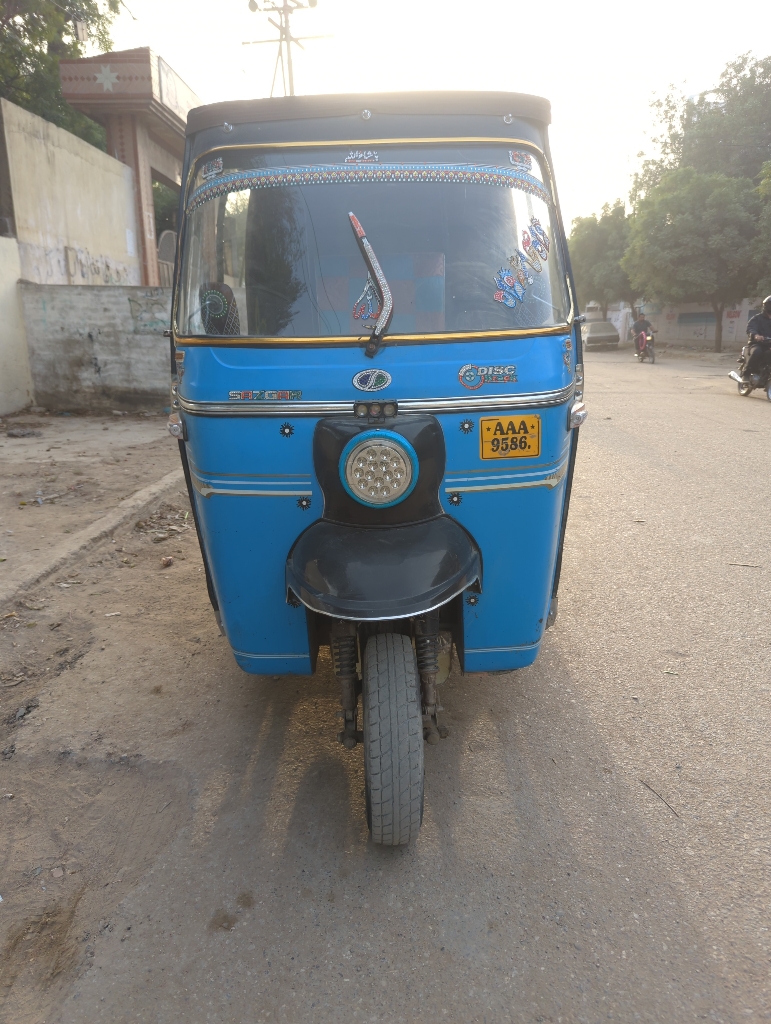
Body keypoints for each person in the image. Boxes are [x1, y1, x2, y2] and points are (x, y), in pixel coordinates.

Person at [742, 296, 771, 379]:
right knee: (757, 352)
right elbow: (751, 328)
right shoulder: (757, 318)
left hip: (769, 345)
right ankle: (746, 374)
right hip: (757, 344)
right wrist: (756, 335)